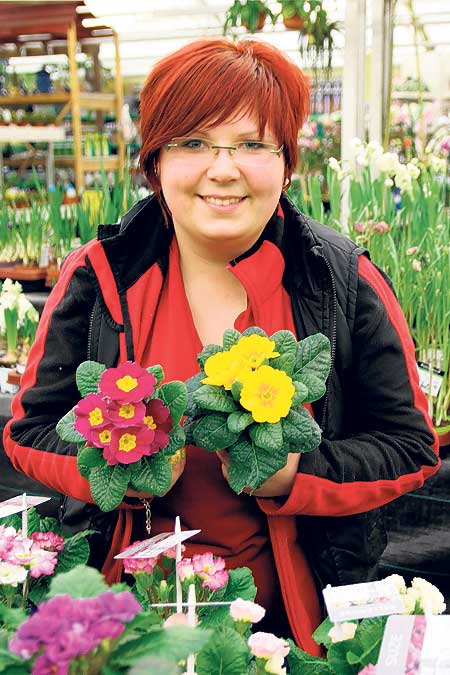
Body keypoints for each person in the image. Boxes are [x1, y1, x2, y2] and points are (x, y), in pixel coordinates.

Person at [3, 39, 439, 655]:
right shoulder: (102, 274)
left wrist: (296, 473)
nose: (223, 167)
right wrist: (115, 474)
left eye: (252, 144)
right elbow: (29, 432)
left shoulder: (339, 278)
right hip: (129, 622)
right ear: (155, 163)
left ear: (287, 164)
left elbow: (409, 447)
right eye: (193, 142)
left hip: (295, 624)